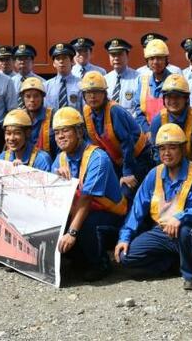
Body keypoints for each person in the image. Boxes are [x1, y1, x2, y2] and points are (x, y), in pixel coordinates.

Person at [115, 123, 192, 290]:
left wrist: (180, 218)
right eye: (162, 149)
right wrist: (124, 238)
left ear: (182, 149)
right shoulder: (155, 173)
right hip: (162, 232)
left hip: (190, 230)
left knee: (184, 231)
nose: (166, 153)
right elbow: (137, 209)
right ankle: (174, 264)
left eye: (172, 147)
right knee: (126, 257)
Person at [50, 107, 127, 282]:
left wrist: (72, 233)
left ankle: (100, 263)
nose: (60, 136)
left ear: (79, 132)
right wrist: (56, 177)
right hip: (85, 211)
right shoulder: (60, 158)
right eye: (57, 133)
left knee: (85, 224)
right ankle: (80, 257)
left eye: (66, 131)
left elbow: (86, 199)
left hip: (110, 216)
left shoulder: (97, 157)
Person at [80, 72, 153, 197]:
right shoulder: (87, 113)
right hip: (117, 159)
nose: (92, 96)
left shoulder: (115, 111)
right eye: (88, 92)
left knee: (126, 193)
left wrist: (127, 173)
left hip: (138, 158)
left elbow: (127, 143)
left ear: (104, 94)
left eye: (97, 92)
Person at [147, 74, 192, 168]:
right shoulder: (157, 121)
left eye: (177, 97)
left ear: (186, 99)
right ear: (164, 99)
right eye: (169, 97)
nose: (173, 101)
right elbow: (157, 155)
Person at [103, 38, 144, 129]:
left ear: (127, 56)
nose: (116, 58)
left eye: (120, 54)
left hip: (130, 126)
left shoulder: (138, 78)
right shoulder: (105, 79)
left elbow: (140, 107)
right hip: (109, 127)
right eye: (113, 55)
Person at [137, 38, 175, 124]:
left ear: (166, 60)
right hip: (148, 134)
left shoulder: (175, 82)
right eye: (151, 58)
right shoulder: (143, 83)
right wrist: (147, 130)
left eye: (159, 58)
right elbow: (139, 111)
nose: (155, 62)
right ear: (147, 62)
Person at [20, 76, 56, 157]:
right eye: (28, 96)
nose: (32, 100)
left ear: (42, 98)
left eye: (36, 96)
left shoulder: (52, 116)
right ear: (22, 98)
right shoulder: (18, 117)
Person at [44, 42, 83, 112]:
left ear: (72, 61)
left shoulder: (81, 84)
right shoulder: (46, 86)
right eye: (58, 58)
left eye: (65, 58)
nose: (61, 61)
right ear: (54, 63)